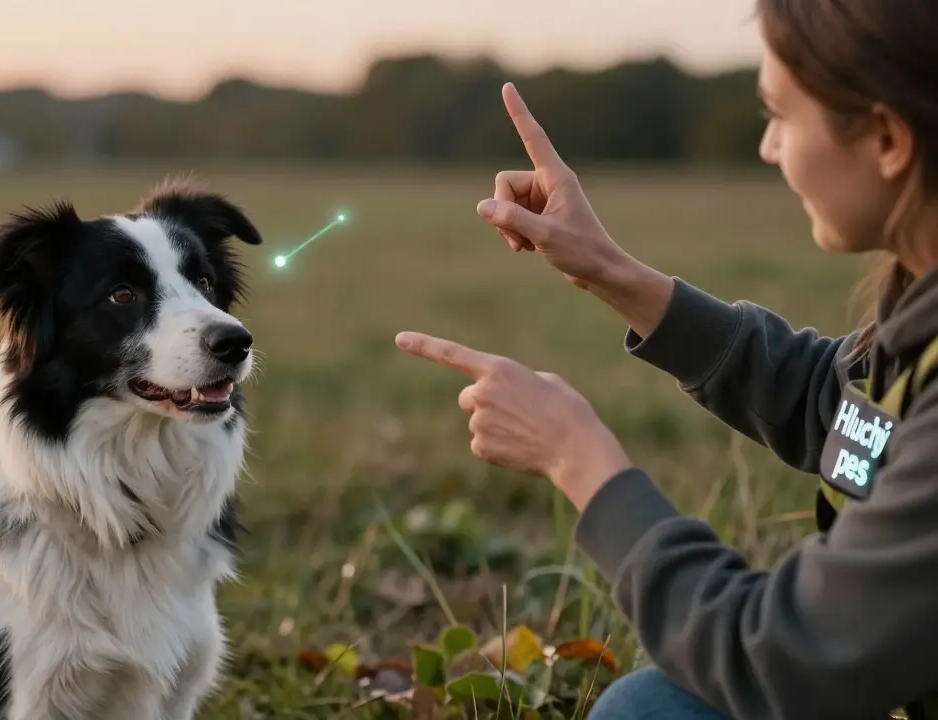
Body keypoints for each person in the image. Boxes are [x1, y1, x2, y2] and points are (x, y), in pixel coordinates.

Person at [393, 1, 938, 718]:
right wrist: (607, 269)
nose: (768, 147)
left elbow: (784, 657)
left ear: (888, 139)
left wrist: (579, 458)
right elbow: (837, 407)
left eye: (779, 115)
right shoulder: (918, 307)